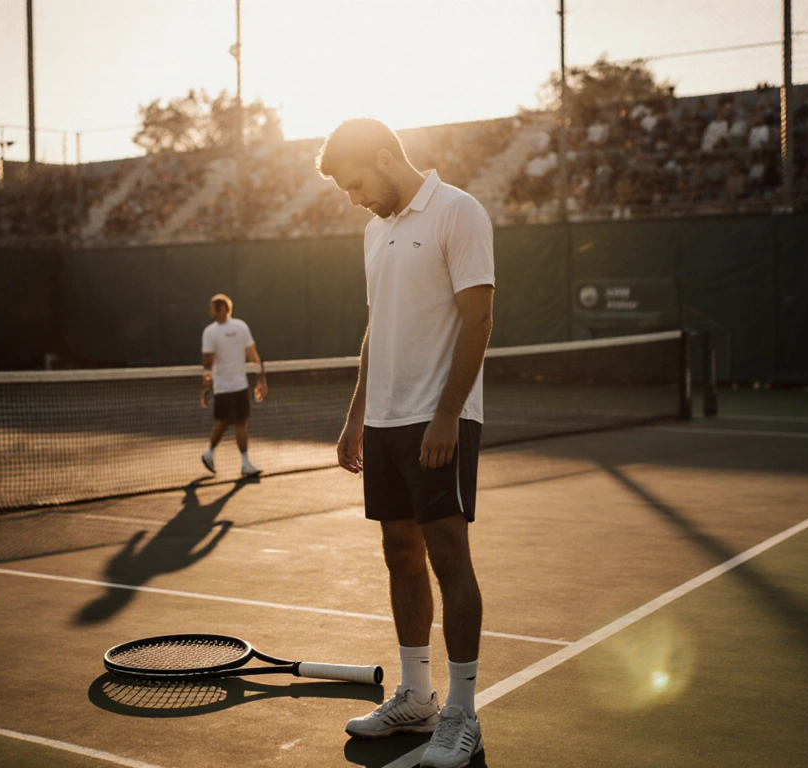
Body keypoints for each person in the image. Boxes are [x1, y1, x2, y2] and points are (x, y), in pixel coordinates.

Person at [317, 118, 495, 768]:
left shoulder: (459, 212)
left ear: (387, 157)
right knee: (400, 552)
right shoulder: (374, 231)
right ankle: (416, 696)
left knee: (449, 555)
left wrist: (449, 413)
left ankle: (462, 713)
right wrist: (356, 414)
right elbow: (375, 327)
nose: (353, 196)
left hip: (438, 418)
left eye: (356, 182)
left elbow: (479, 315)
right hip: (388, 421)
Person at [199, 293, 266, 478]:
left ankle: (245, 463)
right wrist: (206, 387)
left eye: (213, 307)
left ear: (222, 309)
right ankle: (209, 453)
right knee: (224, 422)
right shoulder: (210, 332)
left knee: (241, 422)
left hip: (240, 385)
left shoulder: (240, 327)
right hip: (222, 385)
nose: (210, 311)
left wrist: (261, 379)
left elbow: (252, 354)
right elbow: (207, 363)